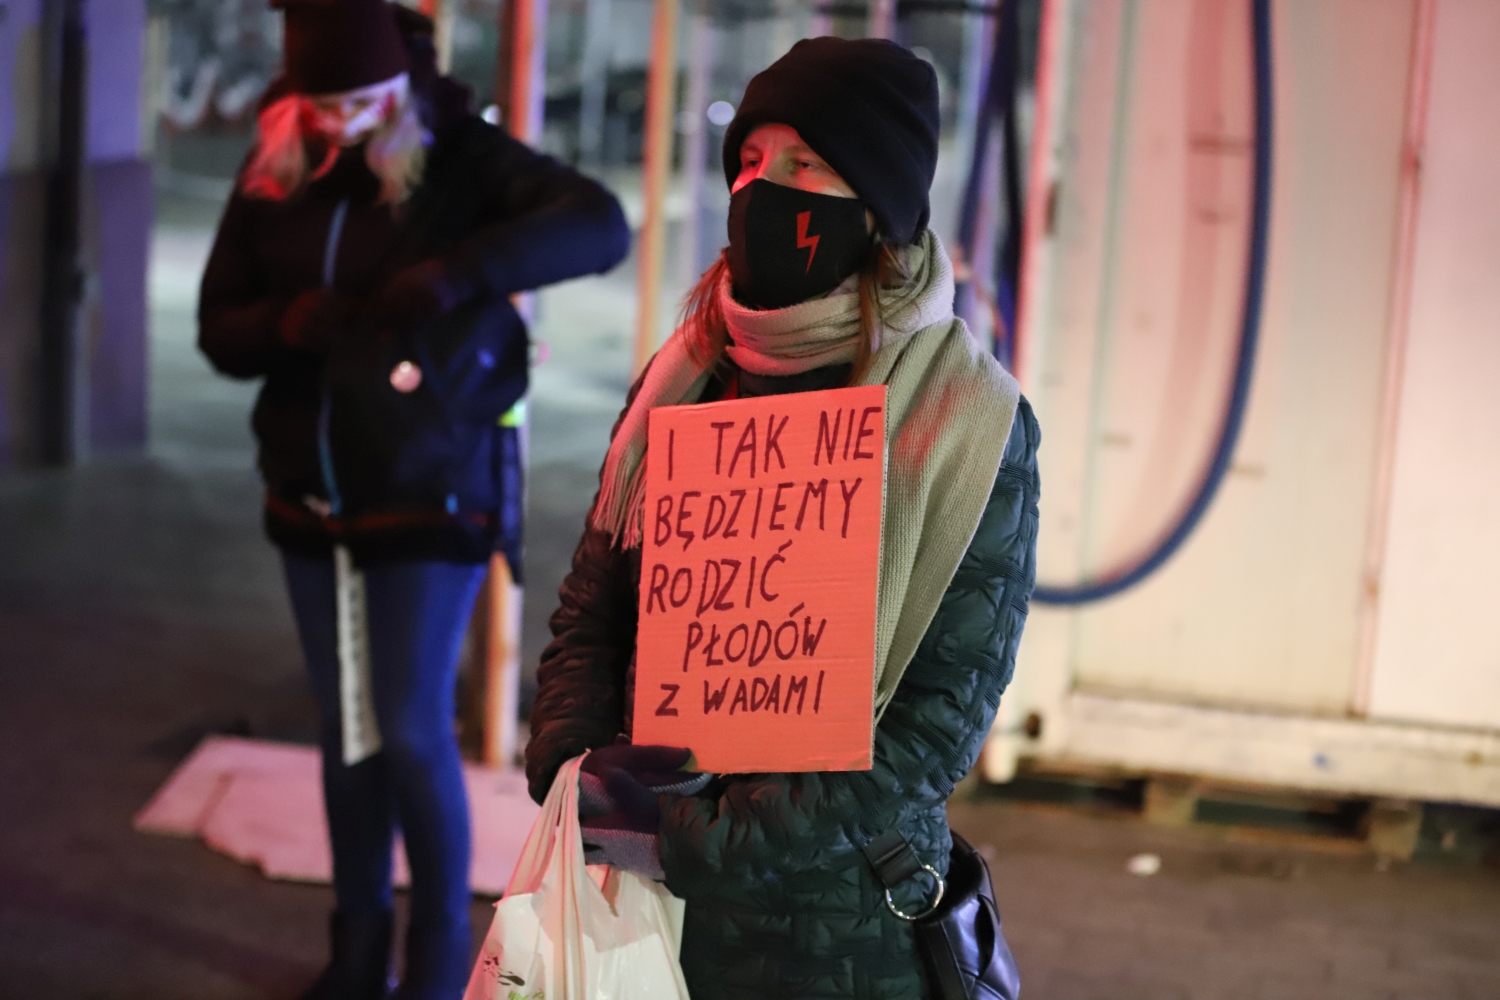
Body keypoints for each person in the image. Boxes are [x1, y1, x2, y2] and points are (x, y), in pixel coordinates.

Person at [525, 36, 1040, 1000]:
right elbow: (593, 606)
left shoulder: (969, 422)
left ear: (877, 208)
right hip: (641, 899)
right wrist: (568, 759)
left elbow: (940, 716)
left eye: (806, 167)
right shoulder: (681, 380)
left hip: (838, 930)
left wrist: (726, 838)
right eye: (753, 163)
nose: (767, 190)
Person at [197, 1, 630, 998]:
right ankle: (354, 958)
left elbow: (598, 223)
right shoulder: (276, 164)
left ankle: (435, 964)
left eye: (362, 102)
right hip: (310, 495)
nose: (343, 123)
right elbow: (221, 326)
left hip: (429, 494)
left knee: (406, 725)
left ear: (399, 86)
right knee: (346, 734)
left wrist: (451, 277)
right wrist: (285, 321)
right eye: (323, 105)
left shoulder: (461, 155)